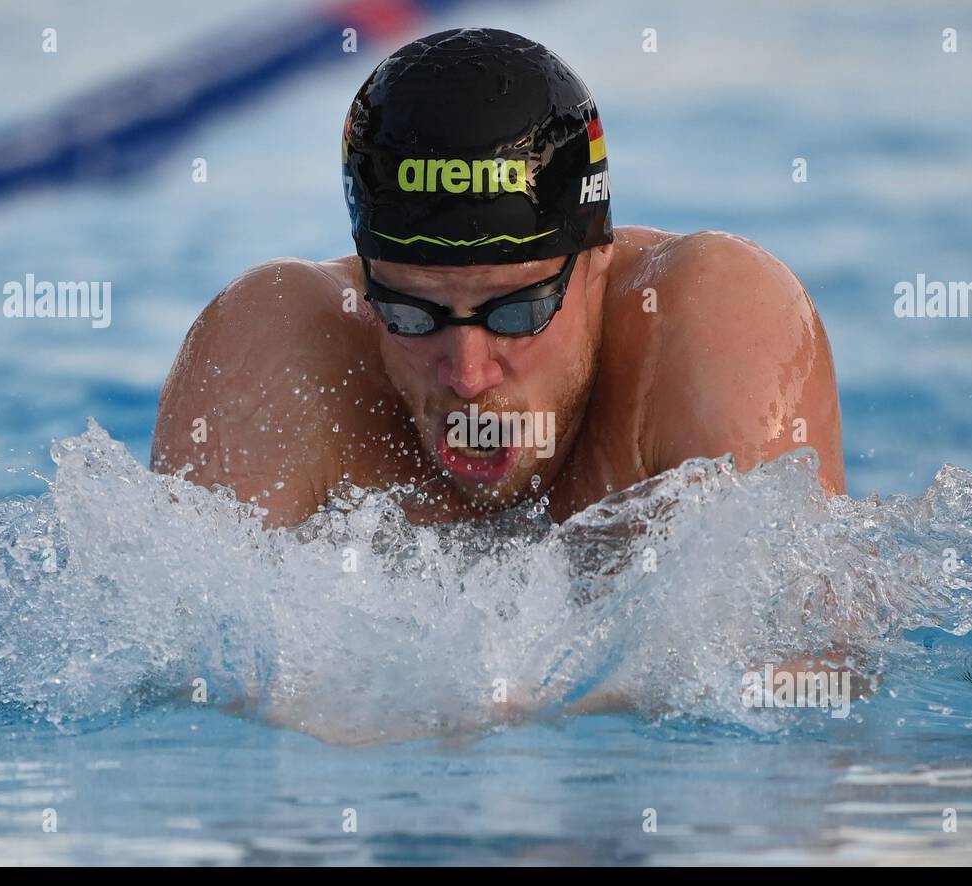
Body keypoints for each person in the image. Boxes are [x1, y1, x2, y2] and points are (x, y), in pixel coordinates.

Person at [153, 26, 844, 530]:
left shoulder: (714, 324)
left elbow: (791, 685)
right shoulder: (274, 351)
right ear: (365, 280)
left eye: (515, 313)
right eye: (415, 315)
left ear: (598, 257)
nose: (467, 374)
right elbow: (187, 699)